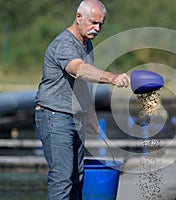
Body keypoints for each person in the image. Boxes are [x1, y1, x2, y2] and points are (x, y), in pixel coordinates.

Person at [34, 0, 130, 199]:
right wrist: (111, 77)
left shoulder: (87, 44)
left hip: (75, 117)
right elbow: (78, 70)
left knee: (77, 176)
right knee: (62, 178)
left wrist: (90, 116)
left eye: (101, 25)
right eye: (93, 22)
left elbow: (84, 87)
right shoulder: (64, 43)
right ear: (78, 18)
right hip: (55, 116)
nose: (97, 28)